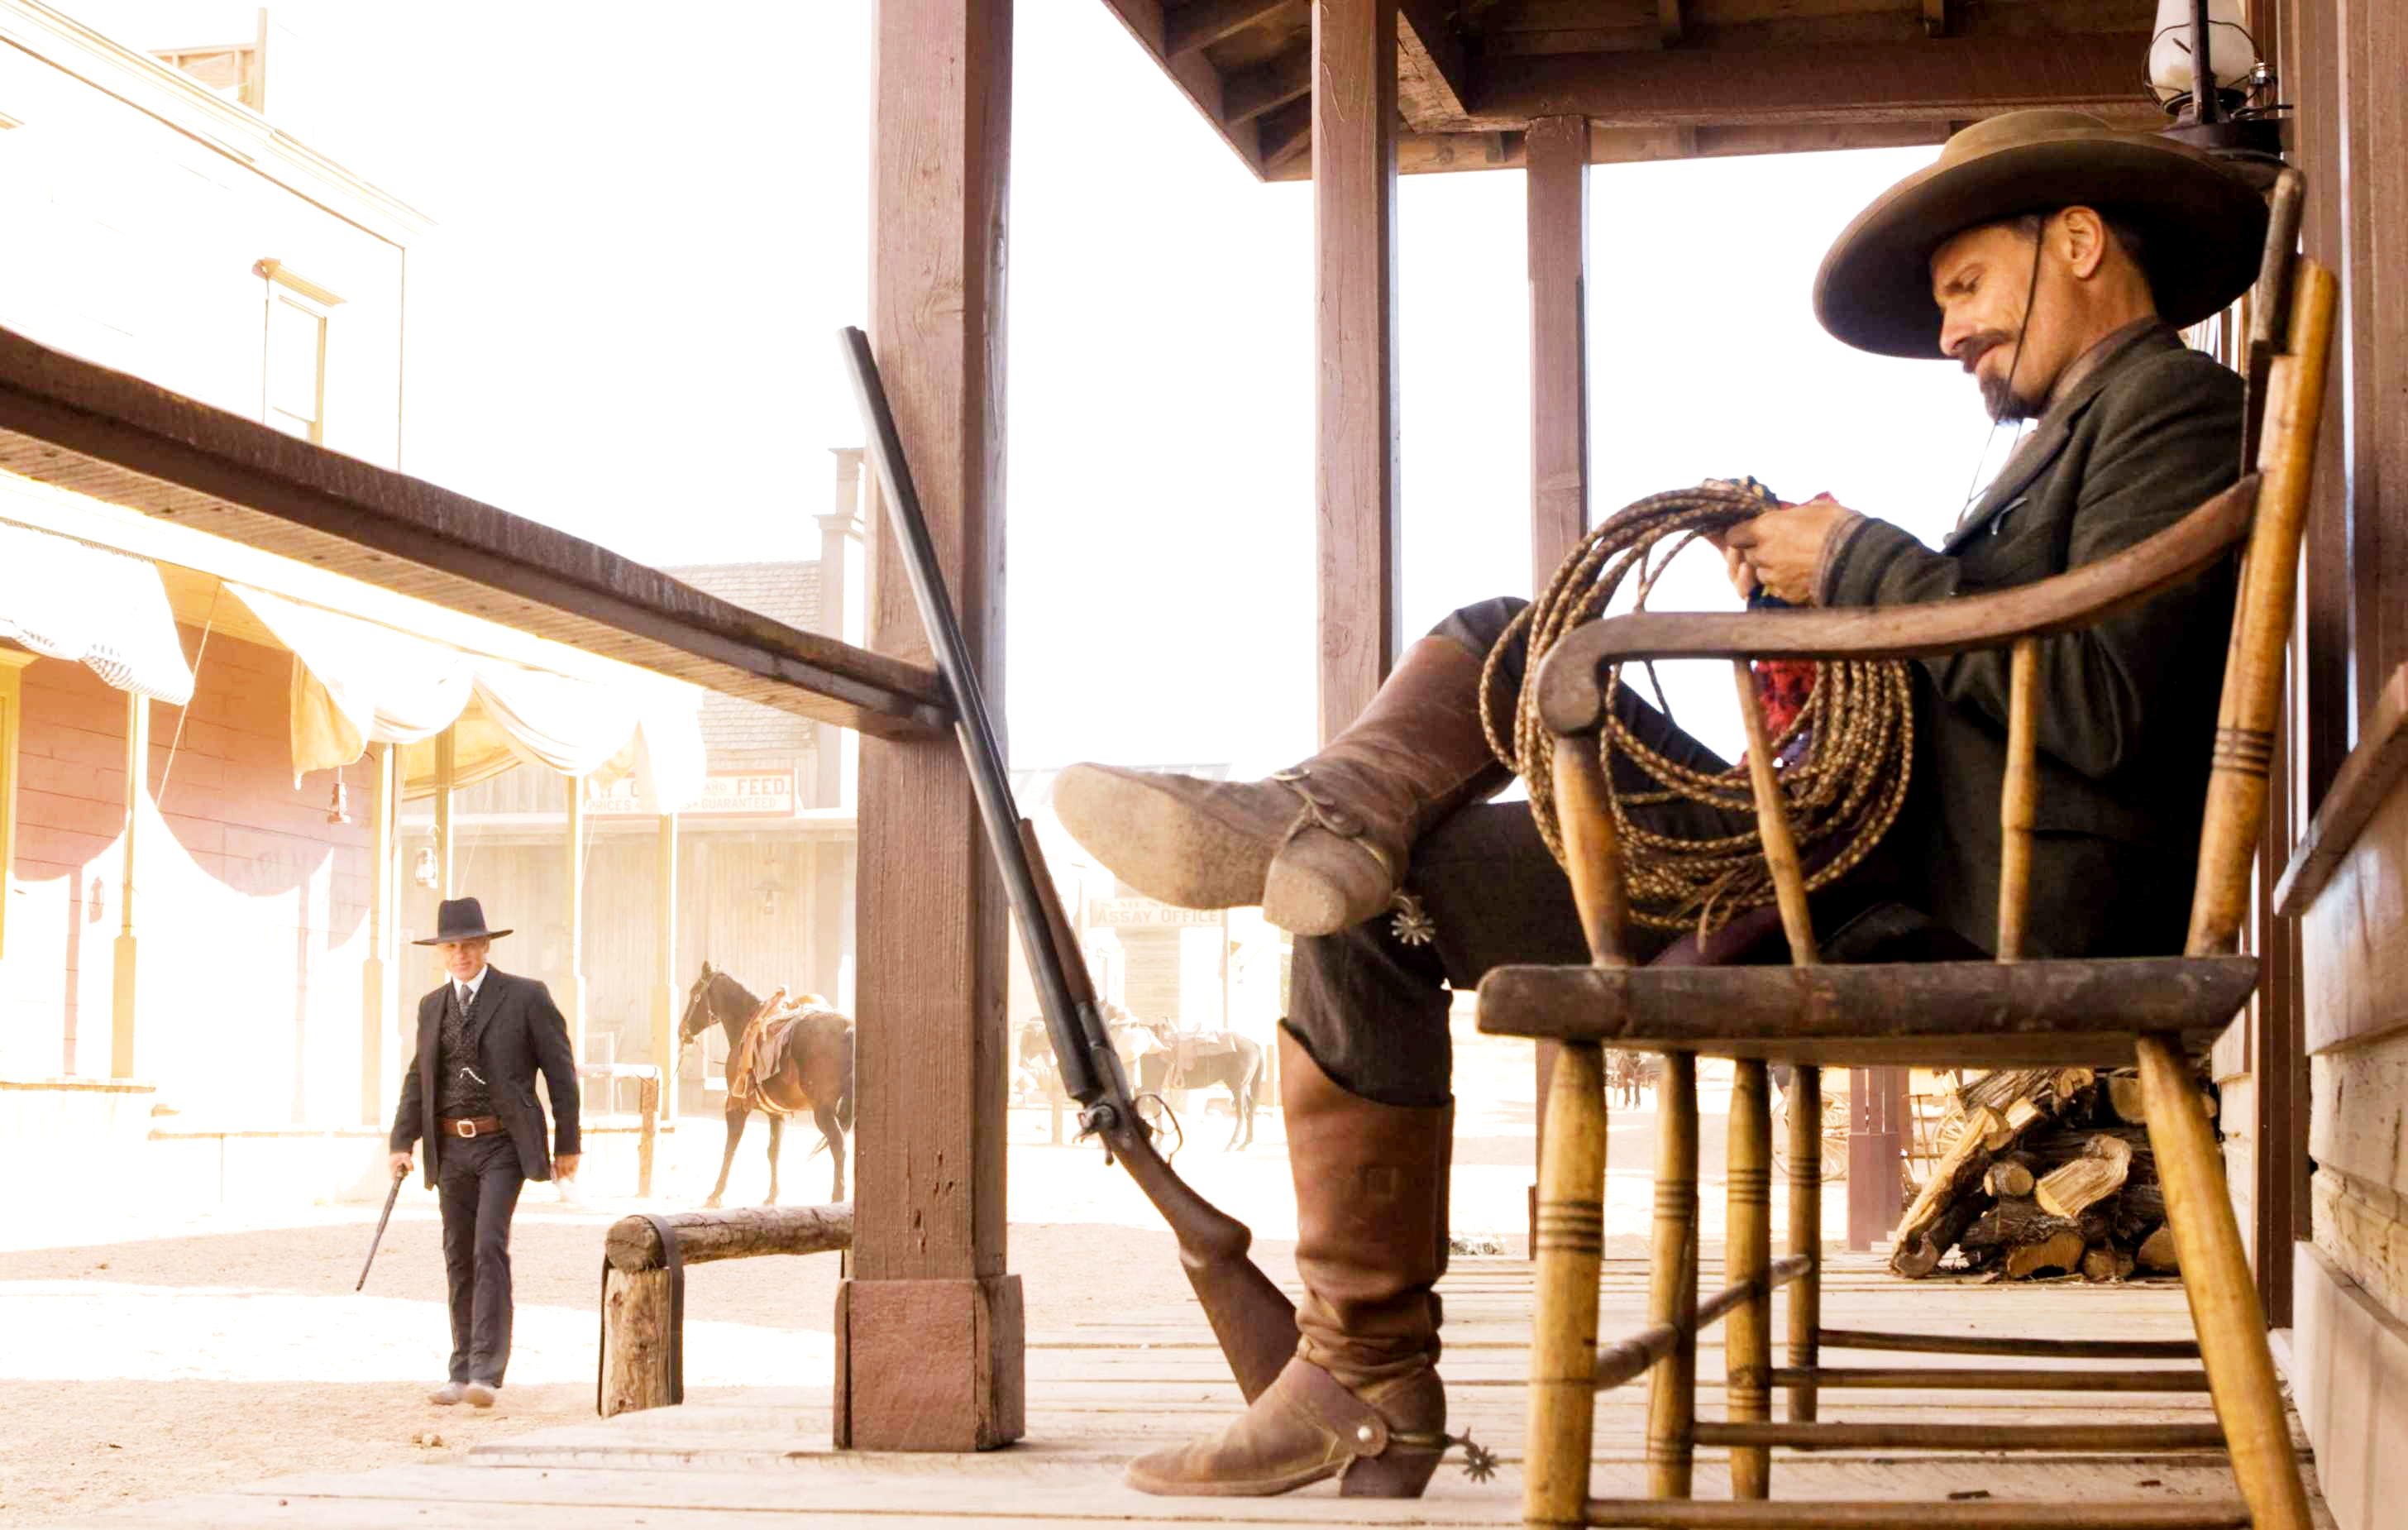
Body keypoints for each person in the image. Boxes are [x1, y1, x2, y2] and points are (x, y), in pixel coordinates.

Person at [1047, 111, 2271, 1497]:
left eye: (1965, 290)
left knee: (1500, 645)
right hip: (1880, 861)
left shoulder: (2171, 404)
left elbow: (2096, 699)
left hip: (1962, 896)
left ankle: (1364, 1349)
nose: (1951, 336)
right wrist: (1816, 609)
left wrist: (1855, 562)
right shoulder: (2072, 436)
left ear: (2079, 243)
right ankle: (1354, 1333)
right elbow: (1996, 662)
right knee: (1381, 867)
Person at [386, 896, 581, 1408]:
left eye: (470, 944)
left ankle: (487, 1375)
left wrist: (568, 1145)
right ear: (440, 953)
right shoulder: (433, 1006)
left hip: (502, 1145)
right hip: (450, 1147)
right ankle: (461, 1370)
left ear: (486, 946)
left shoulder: (525, 997)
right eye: (451, 946)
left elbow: (561, 1075)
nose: (460, 954)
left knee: (488, 1245)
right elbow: (418, 1078)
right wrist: (401, 1141)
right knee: (457, 1253)